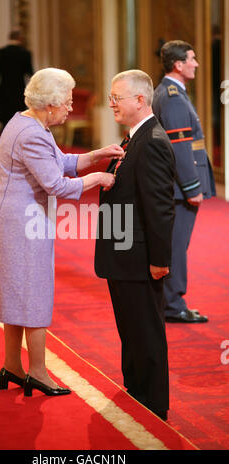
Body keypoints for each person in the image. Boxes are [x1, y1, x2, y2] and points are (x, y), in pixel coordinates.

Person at [0, 67, 124, 398]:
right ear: (50, 105)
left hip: (15, 217)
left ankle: (12, 365)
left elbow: (61, 161)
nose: (71, 108)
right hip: (21, 222)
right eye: (68, 102)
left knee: (17, 291)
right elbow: (56, 183)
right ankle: (38, 371)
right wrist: (100, 178)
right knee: (32, 291)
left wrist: (98, 155)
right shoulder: (31, 133)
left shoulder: (28, 123)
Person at [94, 70, 175, 421]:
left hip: (141, 256)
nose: (111, 103)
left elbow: (159, 208)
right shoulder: (133, 139)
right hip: (124, 254)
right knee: (131, 326)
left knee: (145, 328)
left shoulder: (152, 141)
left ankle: (153, 400)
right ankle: (137, 388)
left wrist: (159, 259)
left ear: (139, 100)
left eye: (117, 97)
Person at [153, 40, 216, 323]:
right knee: (177, 246)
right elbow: (180, 148)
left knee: (174, 244)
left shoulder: (169, 93)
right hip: (180, 188)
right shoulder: (173, 97)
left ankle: (169, 301)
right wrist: (192, 188)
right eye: (192, 59)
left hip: (175, 185)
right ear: (178, 65)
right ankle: (173, 305)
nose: (196, 63)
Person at [0, 30, 34, 130]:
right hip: (19, 91)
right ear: (20, 38)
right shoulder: (25, 53)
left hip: (4, 92)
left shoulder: (0, 53)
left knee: (5, 122)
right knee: (18, 121)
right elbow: (30, 75)